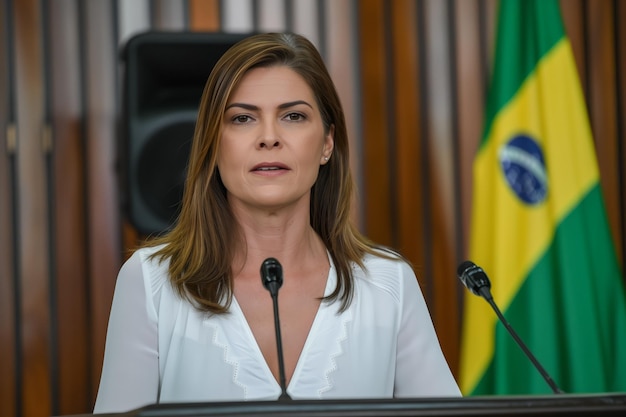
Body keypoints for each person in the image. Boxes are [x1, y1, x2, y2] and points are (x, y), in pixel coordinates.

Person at [94, 32, 461, 414]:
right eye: (242, 118)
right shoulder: (152, 283)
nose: (269, 138)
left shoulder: (388, 284)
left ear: (326, 144)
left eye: (293, 116)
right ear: (213, 144)